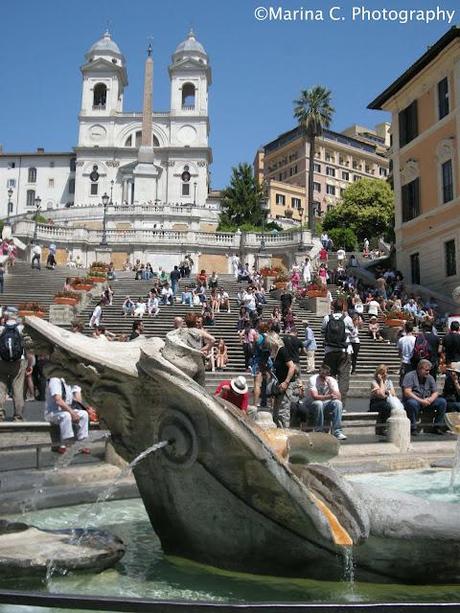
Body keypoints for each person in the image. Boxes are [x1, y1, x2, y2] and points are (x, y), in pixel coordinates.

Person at [0, 309, 33, 421]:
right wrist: (30, 364)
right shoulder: (21, 329)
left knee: (1, 388)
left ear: (5, 316)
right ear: (16, 316)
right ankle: (18, 416)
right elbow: (28, 348)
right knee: (18, 389)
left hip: (1, 361)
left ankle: (0, 414)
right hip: (19, 362)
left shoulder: (1, 329)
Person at [299, 365, 347, 440]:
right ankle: (319, 431)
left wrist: (330, 385)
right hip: (311, 404)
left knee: (338, 403)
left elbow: (338, 397)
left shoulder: (332, 381)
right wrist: (330, 396)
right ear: (319, 374)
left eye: (325, 376)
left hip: (325, 403)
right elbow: (315, 396)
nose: (323, 378)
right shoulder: (313, 379)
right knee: (319, 403)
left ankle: (337, 432)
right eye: (322, 376)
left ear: (328, 375)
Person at [44, 376, 89, 454]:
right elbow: (58, 400)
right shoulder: (55, 380)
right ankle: (64, 445)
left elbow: (76, 397)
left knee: (84, 414)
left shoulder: (68, 381)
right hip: (52, 413)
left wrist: (86, 408)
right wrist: (72, 413)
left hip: (66, 410)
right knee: (66, 415)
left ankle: (82, 443)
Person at [402, 359, 447, 436]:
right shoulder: (410, 376)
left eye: (429, 370)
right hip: (415, 401)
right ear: (419, 369)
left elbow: (435, 392)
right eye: (426, 370)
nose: (428, 372)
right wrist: (421, 401)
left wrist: (430, 400)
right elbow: (407, 392)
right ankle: (413, 428)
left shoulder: (430, 377)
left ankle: (437, 426)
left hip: (426, 401)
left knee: (442, 402)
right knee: (411, 403)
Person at [321, 301, 354, 405]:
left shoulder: (327, 318)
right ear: (343, 307)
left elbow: (323, 331)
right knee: (343, 378)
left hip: (329, 351)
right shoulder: (347, 319)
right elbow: (353, 331)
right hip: (344, 351)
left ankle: (328, 402)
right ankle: (341, 404)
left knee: (329, 376)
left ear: (333, 307)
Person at [265, 333, 297, 428]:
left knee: (283, 411)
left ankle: (285, 432)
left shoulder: (282, 351)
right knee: (276, 412)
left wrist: (286, 382)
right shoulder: (276, 352)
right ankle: (279, 429)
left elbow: (292, 367)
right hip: (280, 385)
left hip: (286, 385)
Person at [370, 364, 396, 436]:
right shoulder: (374, 382)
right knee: (386, 406)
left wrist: (386, 392)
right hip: (375, 403)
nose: (385, 375)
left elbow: (393, 394)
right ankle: (383, 427)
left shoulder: (389, 382)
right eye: (383, 373)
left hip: (386, 401)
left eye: (386, 372)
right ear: (378, 374)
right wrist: (381, 381)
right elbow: (381, 395)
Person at [397, 321, 416, 386]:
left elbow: (399, 353)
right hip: (413, 362)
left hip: (404, 362)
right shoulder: (415, 339)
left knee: (403, 383)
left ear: (405, 328)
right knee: (412, 382)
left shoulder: (401, 339)